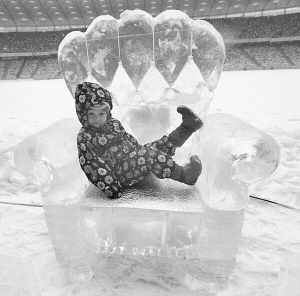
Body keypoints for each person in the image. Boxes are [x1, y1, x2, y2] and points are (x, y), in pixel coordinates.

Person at [75, 82, 203, 199]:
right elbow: (91, 164)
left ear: (108, 113)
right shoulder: (85, 137)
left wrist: (138, 150)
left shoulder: (113, 123)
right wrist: (111, 188)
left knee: (157, 146)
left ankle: (188, 127)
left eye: (101, 114)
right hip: (119, 174)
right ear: (83, 115)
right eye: (91, 114)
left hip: (131, 159)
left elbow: (126, 138)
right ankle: (186, 175)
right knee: (148, 156)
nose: (96, 118)